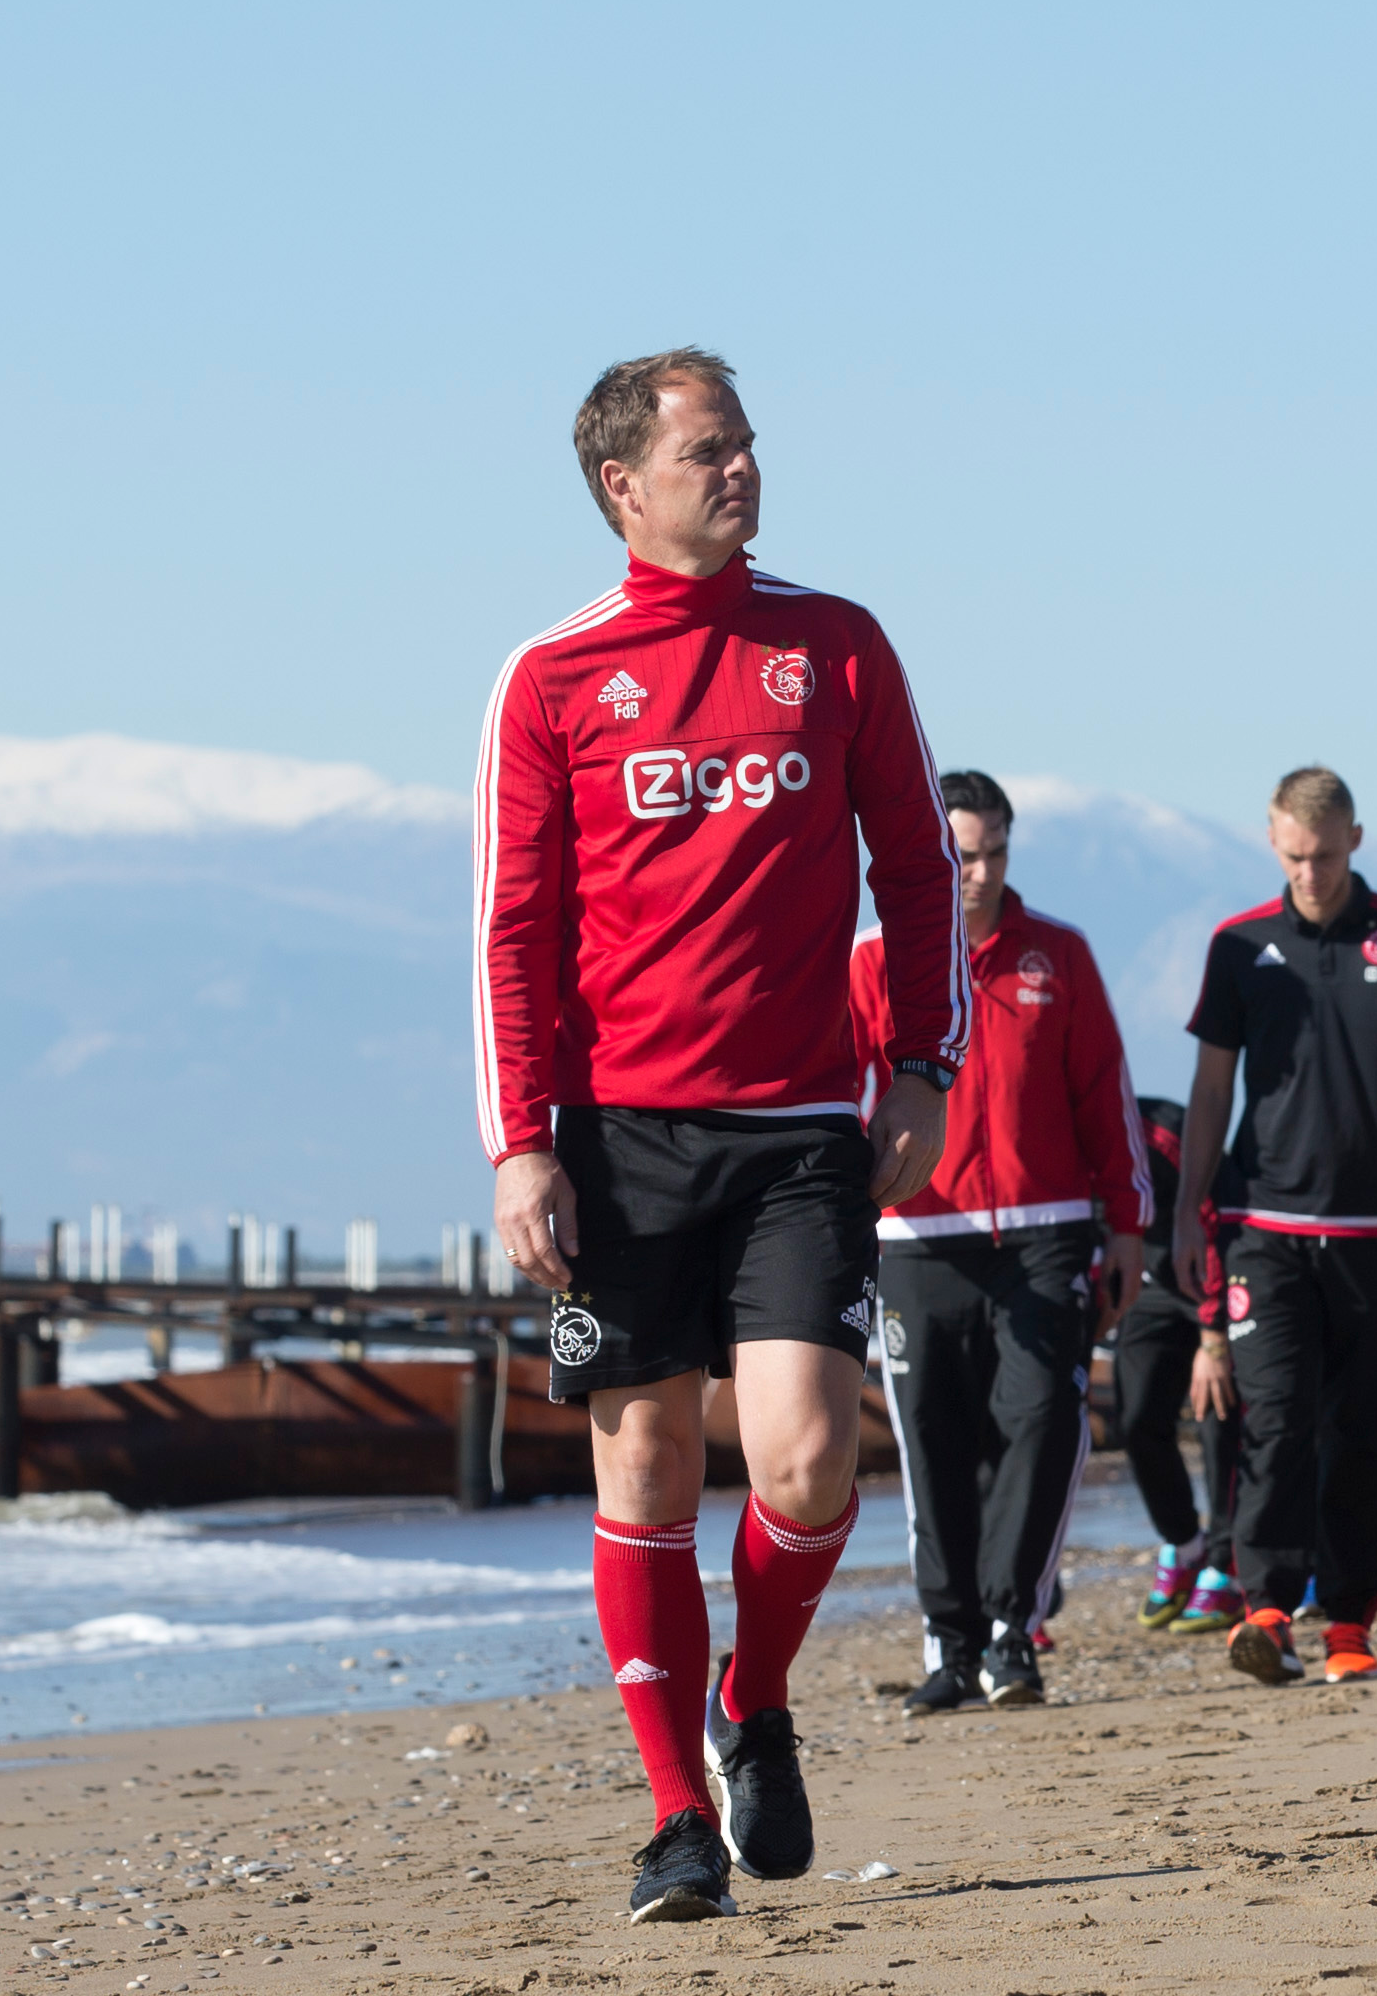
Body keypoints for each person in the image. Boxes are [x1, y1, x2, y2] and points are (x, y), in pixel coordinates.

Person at [476, 349, 966, 1921]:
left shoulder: (834, 646)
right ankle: (679, 1816)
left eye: (747, 444)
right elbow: (515, 927)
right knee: (649, 1461)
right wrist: (519, 1142)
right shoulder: (552, 677)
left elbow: (918, 864)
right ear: (625, 485)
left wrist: (924, 1061)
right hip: (619, 1138)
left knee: (813, 1461)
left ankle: (753, 1696)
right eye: (708, 451)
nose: (740, 470)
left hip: (805, 1127)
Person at [853, 770, 1149, 1714]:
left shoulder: (1056, 956)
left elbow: (1105, 1093)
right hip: (915, 1240)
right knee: (930, 1445)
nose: (977, 872)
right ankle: (950, 1642)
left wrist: (1129, 1223)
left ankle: (1012, 1633)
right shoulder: (869, 965)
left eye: (993, 853)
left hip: (1045, 1235)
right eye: (960, 853)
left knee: (1043, 1425)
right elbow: (835, 1106)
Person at [1178, 766, 1377, 1687]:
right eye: (1296, 857)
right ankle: (1267, 1606)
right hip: (1264, 1221)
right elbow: (1210, 1091)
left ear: (1356, 840)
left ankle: (1348, 1620)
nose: (1311, 873)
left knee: (1361, 1430)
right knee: (1275, 1419)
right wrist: (1191, 1214)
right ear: (1274, 842)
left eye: (1327, 855)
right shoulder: (1238, 945)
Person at [1110, 1095, 1247, 1630]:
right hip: (1153, 1286)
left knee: (1217, 1417)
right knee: (1136, 1417)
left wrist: (1214, 1336)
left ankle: (1226, 1563)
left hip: (1218, 1269)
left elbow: (1215, 1220)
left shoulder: (1156, 1134)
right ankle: (1185, 1545)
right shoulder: (1057, 1136)